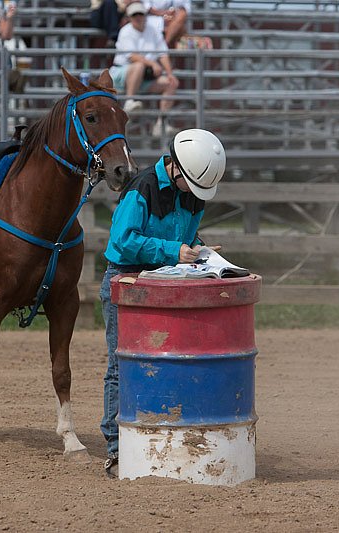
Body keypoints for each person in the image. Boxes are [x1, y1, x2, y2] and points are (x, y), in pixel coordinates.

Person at [99, 128, 227, 478]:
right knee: (120, 365)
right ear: (175, 169)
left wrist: (199, 248)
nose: (194, 195)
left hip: (164, 281)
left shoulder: (192, 196)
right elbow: (122, 242)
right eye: (191, 184)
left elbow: (184, 236)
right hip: (127, 280)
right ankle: (115, 448)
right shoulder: (141, 189)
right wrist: (174, 251)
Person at [110, 1, 179, 136]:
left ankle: (161, 123)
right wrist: (152, 64)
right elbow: (132, 57)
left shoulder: (153, 30)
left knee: (171, 83)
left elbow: (163, 53)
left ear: (145, 15)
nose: (138, 17)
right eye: (135, 15)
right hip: (121, 75)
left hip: (143, 77)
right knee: (139, 66)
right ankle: (130, 101)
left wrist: (170, 73)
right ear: (129, 17)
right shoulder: (126, 31)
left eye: (140, 14)